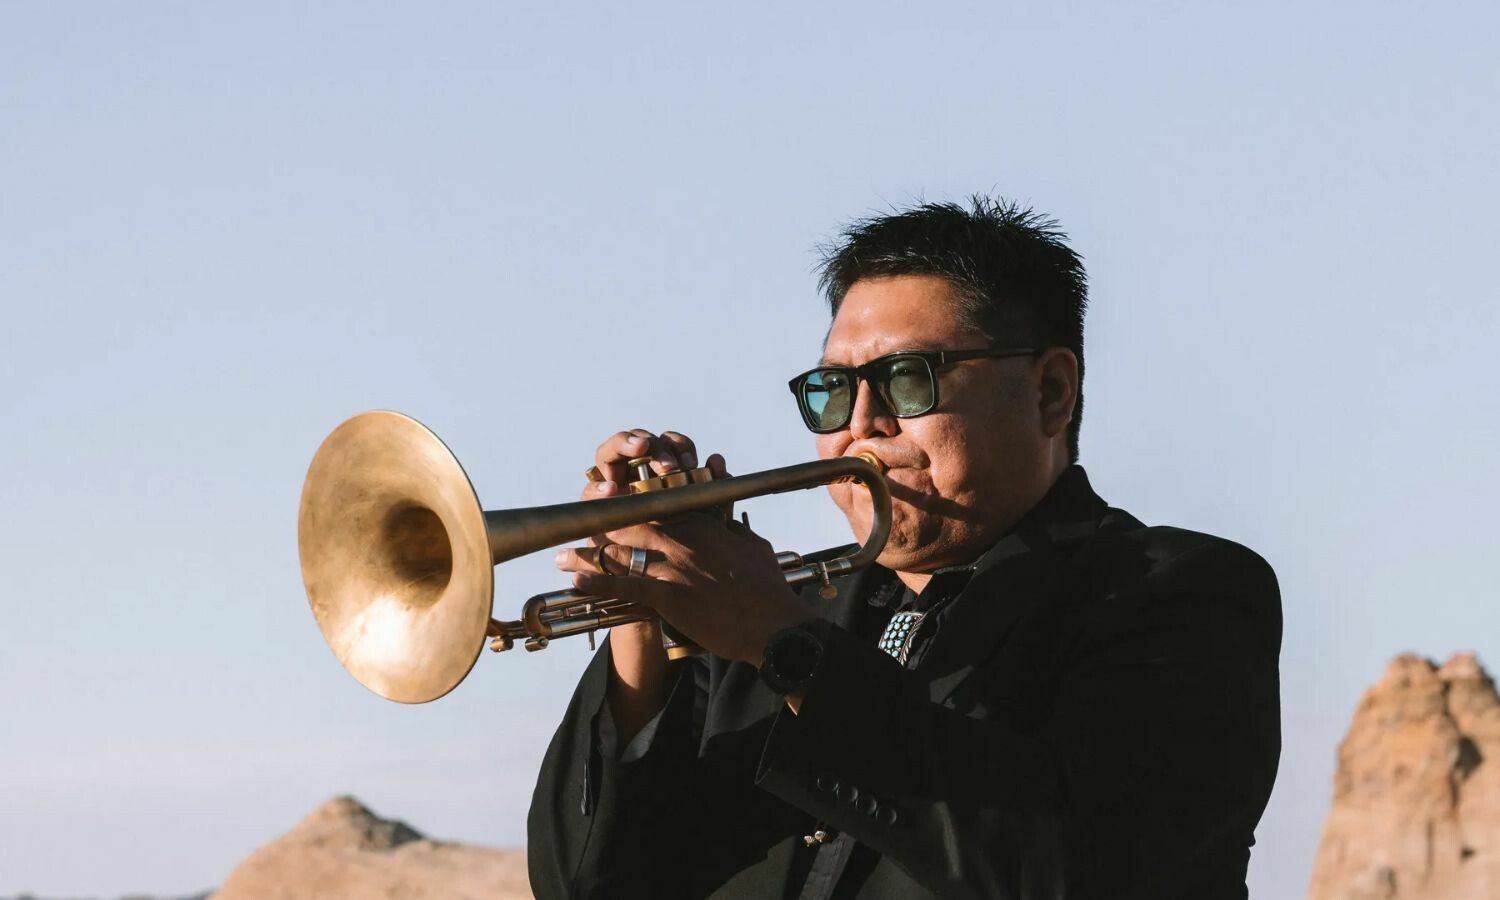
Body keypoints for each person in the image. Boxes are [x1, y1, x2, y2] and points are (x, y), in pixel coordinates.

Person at [527, 197, 1282, 899]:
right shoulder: (763, 624)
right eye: (834, 388)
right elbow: (584, 883)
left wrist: (780, 643)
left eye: (906, 380)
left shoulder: (1182, 595)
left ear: (1050, 391)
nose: (862, 423)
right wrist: (642, 622)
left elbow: (1083, 866)